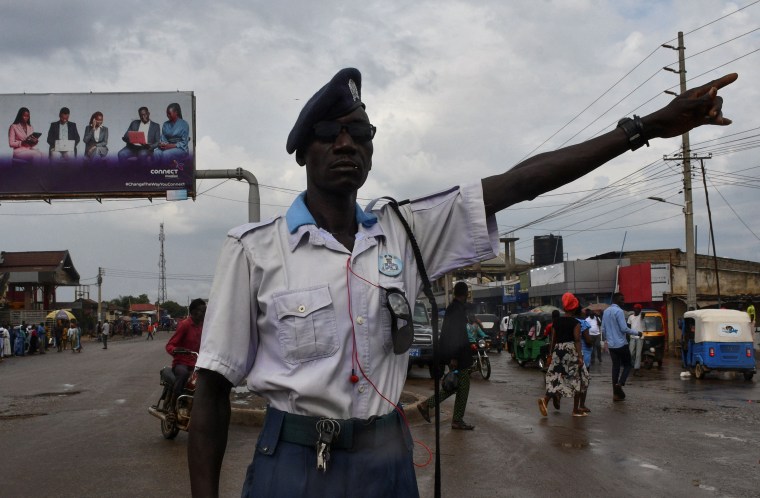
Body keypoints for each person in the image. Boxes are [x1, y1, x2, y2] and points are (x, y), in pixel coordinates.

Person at [189, 67, 736, 497]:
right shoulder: (254, 249)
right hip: (293, 467)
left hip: (387, 464)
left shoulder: (403, 231)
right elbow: (212, 390)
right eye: (330, 133)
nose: (346, 144)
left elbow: (520, 182)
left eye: (360, 132)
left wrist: (642, 130)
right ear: (303, 150)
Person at [418, 282, 478, 431]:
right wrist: (454, 358)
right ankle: (456, 420)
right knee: (463, 387)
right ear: (465, 294)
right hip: (459, 356)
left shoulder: (454, 308)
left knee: (455, 386)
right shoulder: (456, 310)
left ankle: (427, 405)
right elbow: (454, 335)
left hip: (458, 354)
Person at [538, 293, 590, 417]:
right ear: (574, 308)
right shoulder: (576, 323)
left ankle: (545, 400)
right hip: (571, 351)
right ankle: (575, 409)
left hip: (558, 351)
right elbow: (577, 340)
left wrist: (550, 355)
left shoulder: (556, 322)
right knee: (580, 378)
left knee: (556, 377)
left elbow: (553, 340)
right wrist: (580, 357)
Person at [165, 299, 206, 415]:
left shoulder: (204, 327)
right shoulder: (185, 325)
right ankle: (173, 407)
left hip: (196, 364)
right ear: (193, 312)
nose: (204, 314)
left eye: (205, 311)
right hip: (181, 363)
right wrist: (176, 350)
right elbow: (170, 345)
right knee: (182, 374)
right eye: (202, 311)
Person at [602, 293, 642, 401]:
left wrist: (607, 340)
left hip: (612, 346)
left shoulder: (606, 312)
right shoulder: (618, 311)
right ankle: (620, 383)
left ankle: (615, 394)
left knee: (615, 367)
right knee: (628, 365)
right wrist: (637, 333)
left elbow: (603, 329)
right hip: (621, 344)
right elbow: (624, 329)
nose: (624, 301)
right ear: (616, 300)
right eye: (622, 299)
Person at [152, 103, 189, 167]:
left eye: (169, 113)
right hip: (167, 146)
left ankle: (164, 173)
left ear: (176, 112)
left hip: (180, 148)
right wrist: (163, 144)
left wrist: (171, 146)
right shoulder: (165, 124)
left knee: (166, 154)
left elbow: (184, 143)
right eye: (167, 113)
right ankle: (157, 172)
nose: (167, 115)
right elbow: (163, 138)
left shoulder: (184, 124)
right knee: (156, 153)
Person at [627, 304, 645, 376]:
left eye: (637, 309)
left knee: (638, 354)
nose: (636, 310)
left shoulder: (641, 316)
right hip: (632, 337)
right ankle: (633, 365)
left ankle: (636, 369)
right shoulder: (630, 317)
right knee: (631, 353)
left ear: (640, 310)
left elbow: (643, 315)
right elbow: (628, 327)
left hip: (640, 338)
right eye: (635, 308)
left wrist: (643, 314)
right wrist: (628, 335)